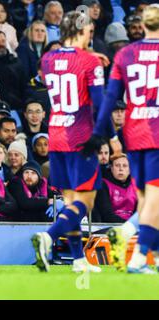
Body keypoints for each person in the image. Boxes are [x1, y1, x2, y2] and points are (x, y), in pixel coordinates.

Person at [84, 4, 159, 274]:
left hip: (134, 134)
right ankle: (128, 237)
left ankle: (148, 257)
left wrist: (110, 136)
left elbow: (107, 99)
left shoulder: (126, 54)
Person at [32, 10, 108, 273]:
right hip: (81, 137)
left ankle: (78, 260)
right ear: (80, 30)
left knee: (70, 201)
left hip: (56, 134)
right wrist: (104, 136)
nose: (91, 36)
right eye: (89, 31)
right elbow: (99, 103)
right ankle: (48, 237)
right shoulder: (90, 62)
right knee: (84, 203)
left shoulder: (47, 58)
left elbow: (66, 69)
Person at [93, 154, 137, 223]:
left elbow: (139, 212)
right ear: (112, 168)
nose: (121, 169)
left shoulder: (135, 184)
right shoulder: (103, 184)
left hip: (132, 226)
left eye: (125, 166)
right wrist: (128, 226)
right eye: (117, 165)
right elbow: (107, 215)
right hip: (109, 226)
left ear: (130, 169)